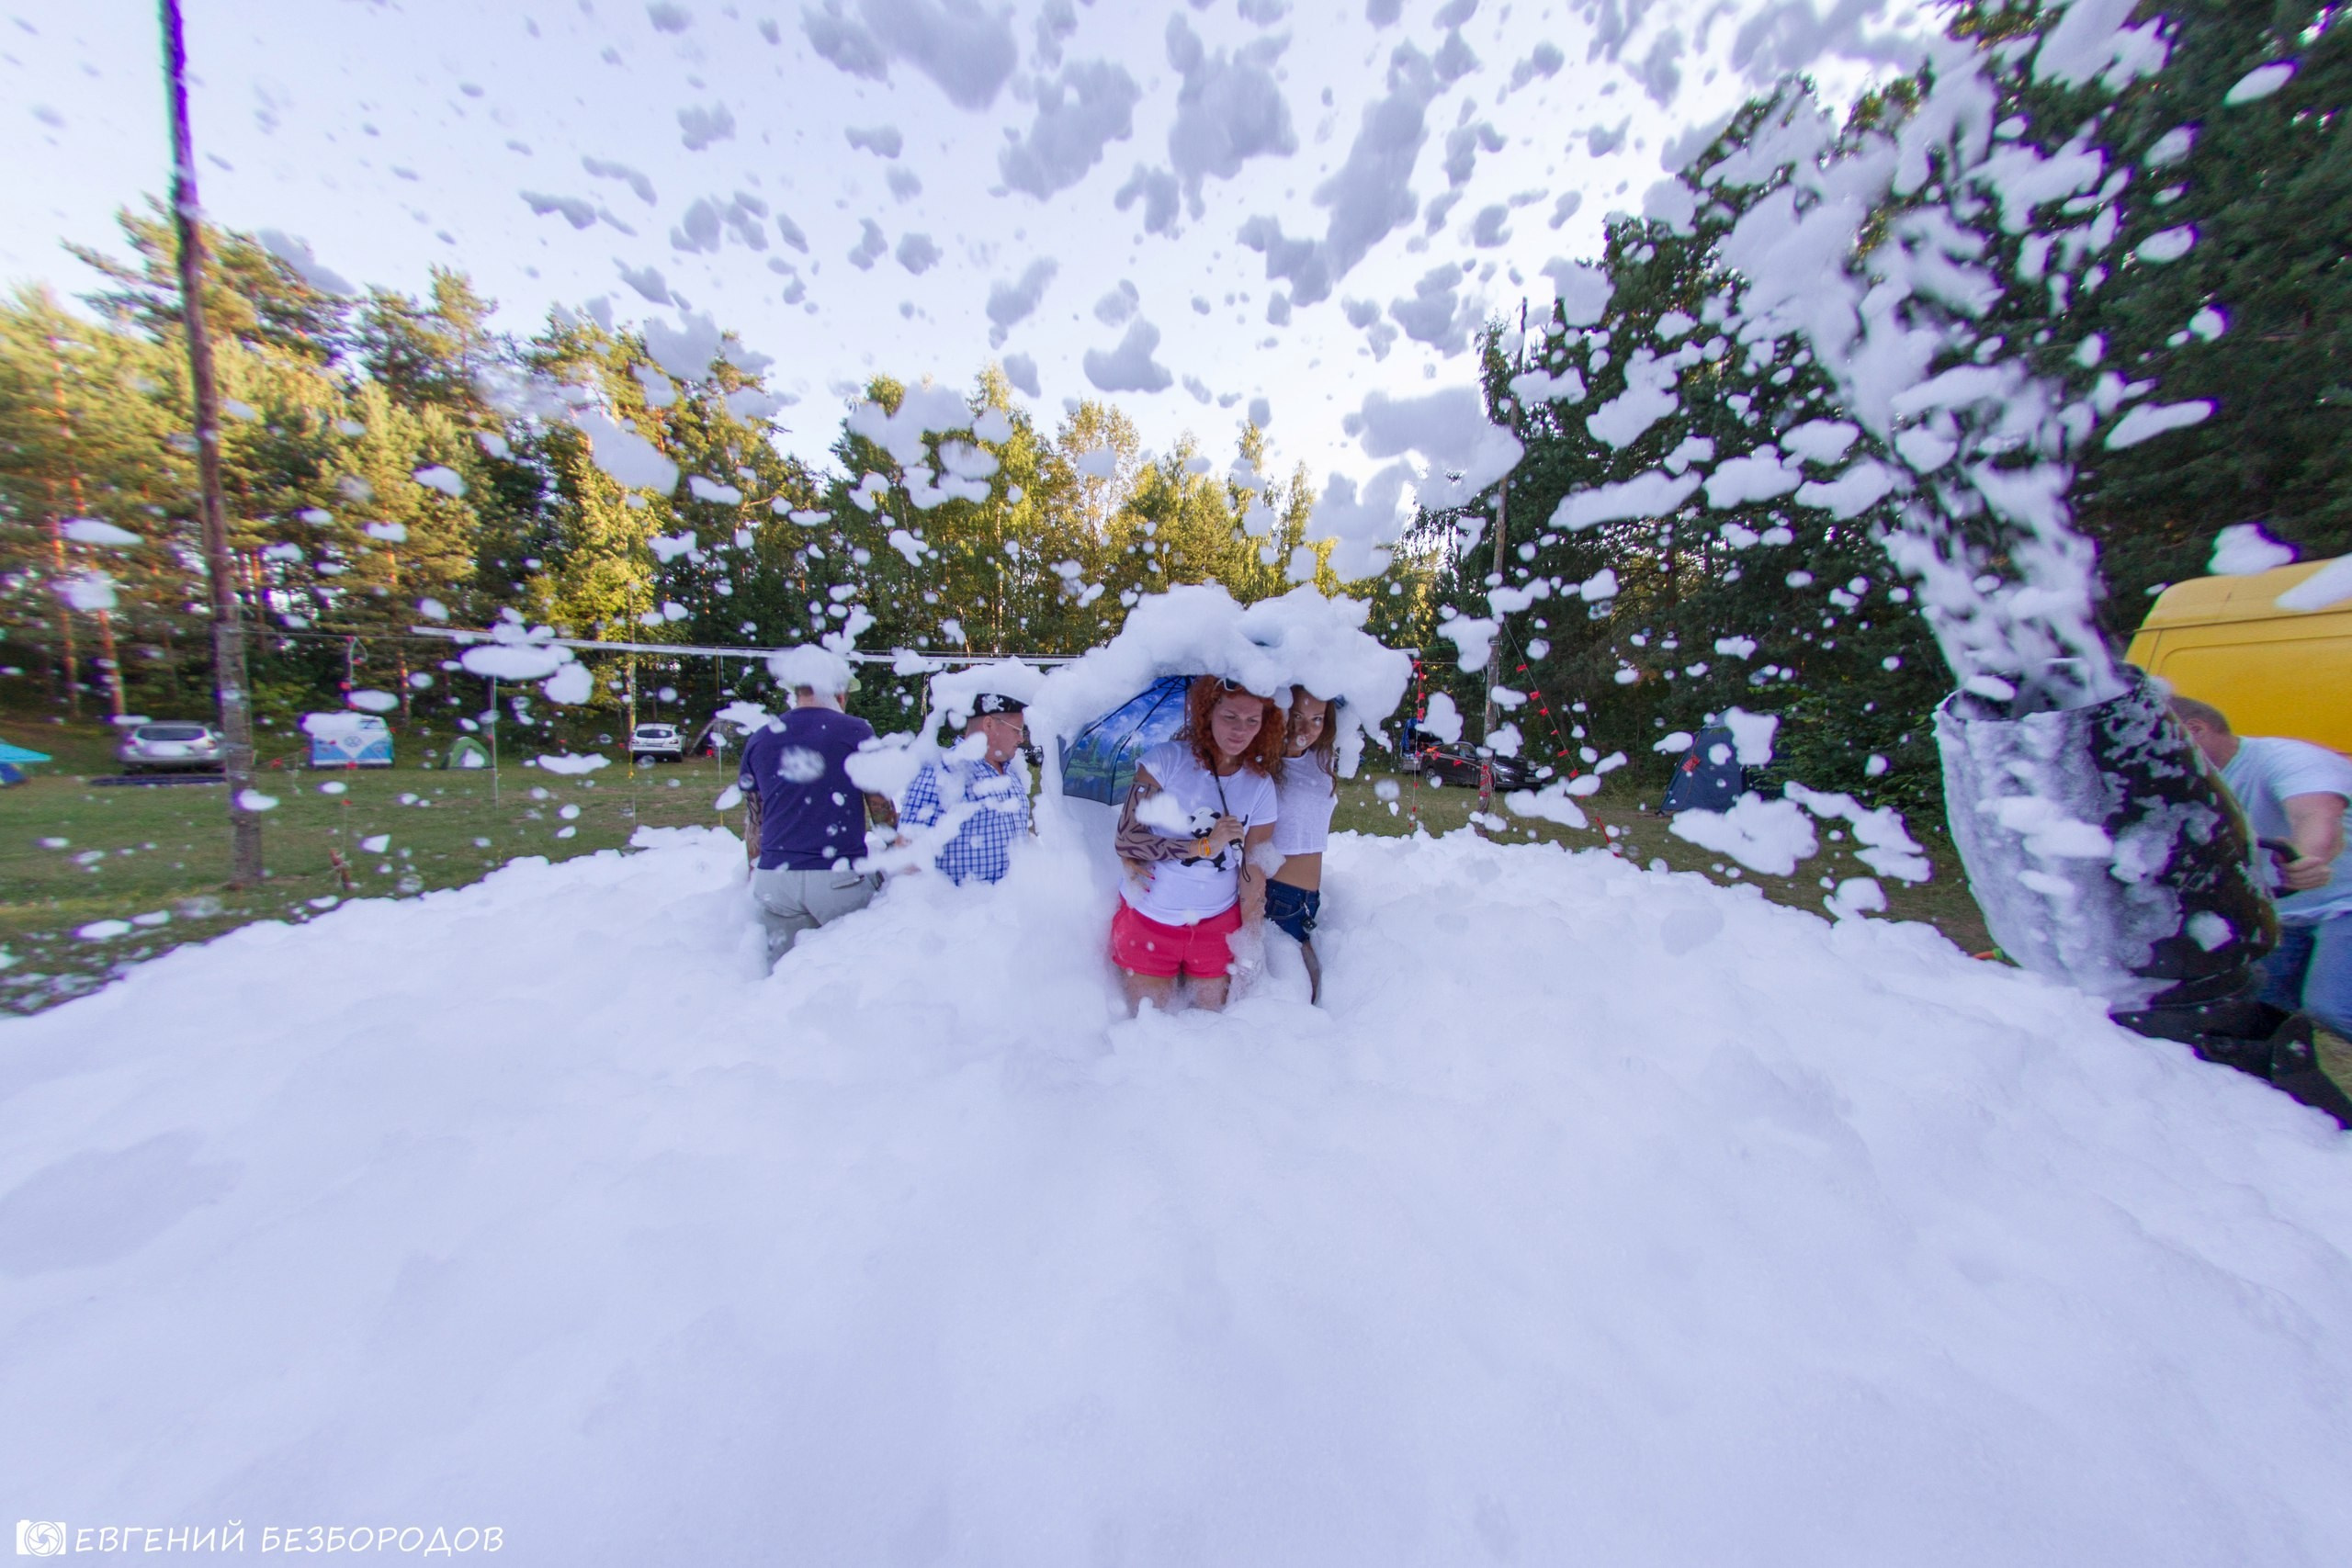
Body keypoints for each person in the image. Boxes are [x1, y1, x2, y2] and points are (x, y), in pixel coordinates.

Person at [2170, 695, 2351, 1040]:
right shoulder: (2188, 780)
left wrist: (2306, 860)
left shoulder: (2290, 759)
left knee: (2333, 1008)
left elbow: (2317, 815)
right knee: (2262, 1005)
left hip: (2345, 903)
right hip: (2282, 913)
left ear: (2195, 729)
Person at [1111, 676, 1283, 1014]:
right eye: (1230, 716)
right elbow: (1127, 838)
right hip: (1149, 922)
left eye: (1253, 720)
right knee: (1149, 1031)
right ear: (1207, 713)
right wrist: (1203, 846)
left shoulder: (1260, 785)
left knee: (1210, 1033)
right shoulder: (1165, 762)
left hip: (1218, 929)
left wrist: (1251, 941)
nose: (1241, 730)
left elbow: (1254, 868)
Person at [739, 647, 898, 966]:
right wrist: (897, 849)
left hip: (775, 879)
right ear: (839, 693)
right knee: (850, 969)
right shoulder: (855, 730)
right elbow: (880, 807)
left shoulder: (760, 738)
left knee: (782, 975)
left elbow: (755, 821)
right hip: (837, 877)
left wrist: (756, 871)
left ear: (796, 691)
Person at [897, 693, 1032, 885]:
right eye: (1017, 730)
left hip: (1012, 899)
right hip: (963, 902)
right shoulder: (943, 772)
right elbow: (908, 855)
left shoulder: (1012, 773)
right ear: (989, 725)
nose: (1021, 739)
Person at [1267, 687, 1339, 1003]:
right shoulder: (1265, 767)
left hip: (1309, 899)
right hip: (1277, 896)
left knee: (1315, 993)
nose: (1304, 729)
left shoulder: (1322, 759)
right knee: (1297, 996)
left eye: (1316, 719)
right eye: (1296, 716)